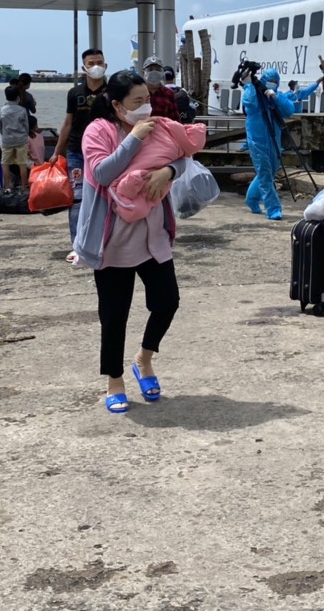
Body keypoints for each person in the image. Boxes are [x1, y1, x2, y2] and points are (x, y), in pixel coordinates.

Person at [73, 70, 189, 415]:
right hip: (113, 243)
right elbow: (103, 173)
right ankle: (115, 380)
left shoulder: (158, 124)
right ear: (117, 106)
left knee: (167, 302)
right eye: (137, 102)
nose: (146, 107)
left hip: (153, 236)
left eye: (148, 99)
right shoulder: (98, 131)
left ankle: (144, 359)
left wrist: (169, 171)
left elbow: (182, 154)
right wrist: (134, 138)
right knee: (114, 315)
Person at [54, 48, 109, 245]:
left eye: (99, 63)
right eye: (92, 63)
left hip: (105, 152)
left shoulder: (112, 92)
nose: (96, 67)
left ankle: (103, 241)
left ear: (106, 65)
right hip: (76, 151)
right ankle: (77, 244)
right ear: (83, 68)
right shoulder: (74, 93)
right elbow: (68, 123)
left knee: (104, 196)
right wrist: (56, 152)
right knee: (77, 199)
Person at [242, 66, 294, 220]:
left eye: (275, 82)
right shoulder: (254, 94)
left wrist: (275, 97)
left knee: (269, 173)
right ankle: (273, 209)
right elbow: (248, 104)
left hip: (274, 141)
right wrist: (250, 84)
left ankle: (251, 199)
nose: (272, 83)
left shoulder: (276, 96)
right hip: (257, 140)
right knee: (265, 174)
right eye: (270, 81)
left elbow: (289, 110)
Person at [0, 83, 31, 189]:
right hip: (21, 139)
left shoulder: (2, 110)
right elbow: (26, 125)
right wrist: (25, 135)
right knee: (22, 163)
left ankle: (7, 187)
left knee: (5, 164)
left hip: (7, 139)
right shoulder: (22, 110)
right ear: (18, 97)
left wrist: (4, 134)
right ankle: (23, 186)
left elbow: (0, 125)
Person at [141, 56, 180, 120]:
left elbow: (175, 119)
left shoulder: (169, 93)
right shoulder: (137, 93)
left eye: (157, 69)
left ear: (162, 72)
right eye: (150, 69)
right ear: (143, 73)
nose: (154, 72)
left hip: (164, 129)